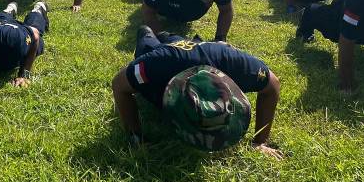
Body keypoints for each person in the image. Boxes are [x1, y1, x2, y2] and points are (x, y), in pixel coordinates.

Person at [111, 27, 282, 157]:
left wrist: (260, 141)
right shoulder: (156, 63)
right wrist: (136, 138)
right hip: (166, 54)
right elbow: (119, 85)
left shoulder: (233, 63)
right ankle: (152, 33)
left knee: (181, 42)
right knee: (147, 41)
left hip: (196, 49)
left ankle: (170, 36)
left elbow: (272, 84)